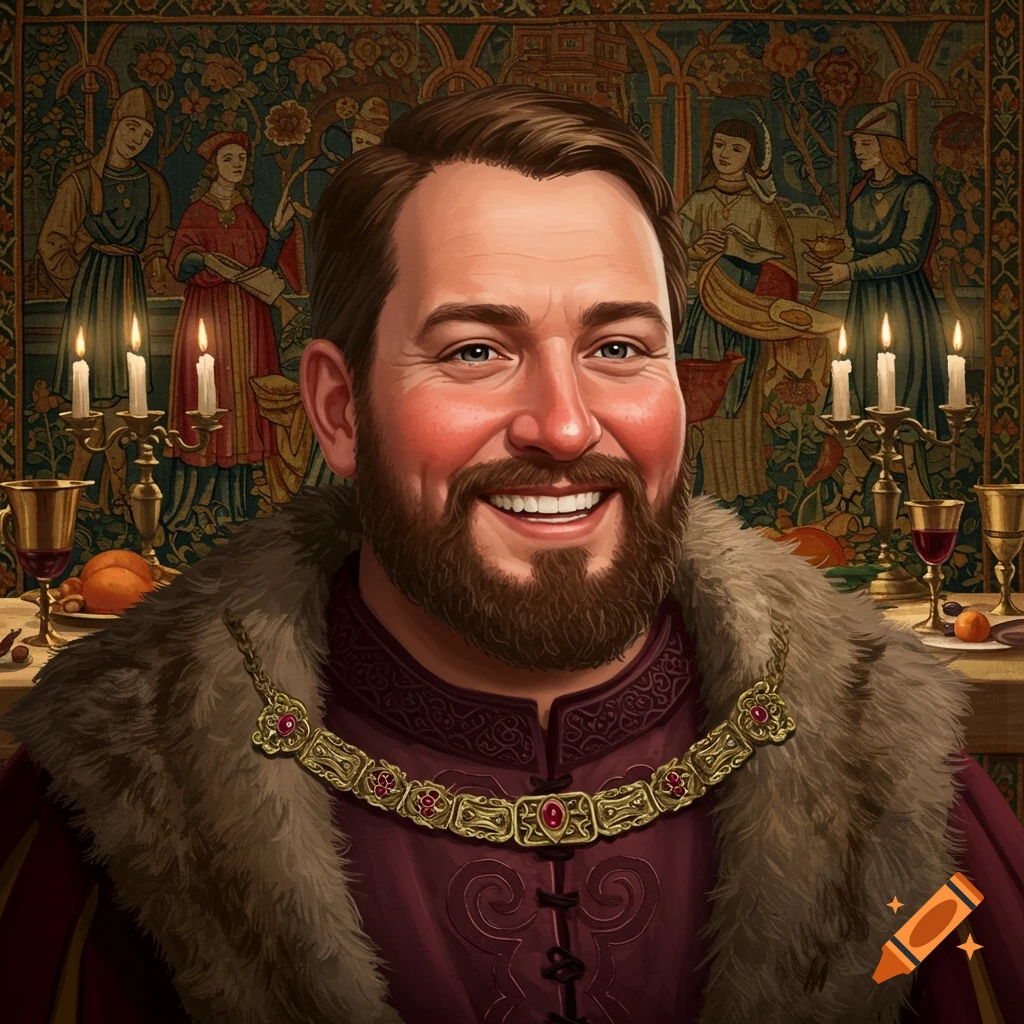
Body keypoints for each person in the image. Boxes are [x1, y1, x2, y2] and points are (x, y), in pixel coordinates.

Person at [1, 85, 1022, 1024]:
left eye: (618, 347)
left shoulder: (910, 803)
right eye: (475, 352)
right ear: (337, 408)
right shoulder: (100, 832)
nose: (565, 427)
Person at [38, 86, 171, 512]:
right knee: (93, 396)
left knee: (117, 398)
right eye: (131, 127)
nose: (137, 138)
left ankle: (111, 492)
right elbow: (51, 242)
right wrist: (78, 289)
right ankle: (99, 493)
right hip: (94, 289)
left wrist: (154, 266)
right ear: (115, 126)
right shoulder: (81, 181)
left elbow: (154, 242)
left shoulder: (153, 184)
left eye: (146, 133)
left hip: (129, 290)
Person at [164, 131, 303, 525]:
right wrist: (203, 257)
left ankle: (241, 503)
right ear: (213, 168)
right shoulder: (197, 212)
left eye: (242, 159)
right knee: (211, 394)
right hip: (209, 314)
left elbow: (265, 262)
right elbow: (181, 263)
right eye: (229, 159)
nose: (237, 165)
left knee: (244, 394)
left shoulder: (245, 214)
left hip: (249, 316)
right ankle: (200, 500)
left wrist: (276, 231)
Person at [677, 116, 798, 502]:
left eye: (736, 148)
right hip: (706, 313)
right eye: (719, 145)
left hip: (745, 314)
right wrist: (693, 251)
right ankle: (700, 490)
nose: (725, 155)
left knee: (739, 399)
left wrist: (741, 258)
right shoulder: (700, 201)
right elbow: (664, 247)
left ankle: (740, 488)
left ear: (754, 158)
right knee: (704, 396)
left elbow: (782, 268)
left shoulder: (762, 208)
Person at [809, 101, 948, 435]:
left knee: (903, 384)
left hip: (903, 299)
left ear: (889, 146)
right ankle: (874, 464)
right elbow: (856, 239)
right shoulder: (861, 190)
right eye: (856, 144)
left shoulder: (916, 190)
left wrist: (849, 270)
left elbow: (909, 254)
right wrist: (832, 251)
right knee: (867, 379)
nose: (858, 150)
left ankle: (910, 467)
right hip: (865, 300)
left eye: (866, 143)